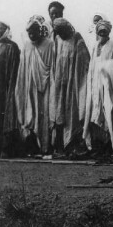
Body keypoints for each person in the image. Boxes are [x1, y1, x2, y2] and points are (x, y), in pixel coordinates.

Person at [49, 18, 91, 156]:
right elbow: (54, 62)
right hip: (60, 85)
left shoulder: (77, 38)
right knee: (59, 113)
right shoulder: (57, 40)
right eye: (57, 32)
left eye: (62, 31)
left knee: (73, 114)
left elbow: (84, 62)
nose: (60, 34)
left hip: (73, 85)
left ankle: (74, 147)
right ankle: (60, 147)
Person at [15, 16, 54, 157]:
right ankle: (32, 148)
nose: (31, 35)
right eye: (29, 33)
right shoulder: (26, 46)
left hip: (44, 89)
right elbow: (23, 69)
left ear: (40, 30)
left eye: (34, 32)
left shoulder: (49, 44)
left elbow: (51, 68)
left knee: (43, 117)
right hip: (29, 87)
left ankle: (45, 148)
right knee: (30, 117)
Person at [83, 20, 113, 155]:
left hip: (108, 84)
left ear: (109, 32)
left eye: (105, 31)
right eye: (100, 31)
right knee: (95, 113)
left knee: (108, 114)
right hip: (95, 84)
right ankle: (97, 147)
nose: (102, 33)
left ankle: (109, 147)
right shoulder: (95, 46)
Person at [0, 22, 20, 157]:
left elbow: (14, 69)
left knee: (7, 117)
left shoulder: (12, 46)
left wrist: (10, 87)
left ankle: (7, 148)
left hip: (6, 87)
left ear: (6, 30)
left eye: (0, 29)